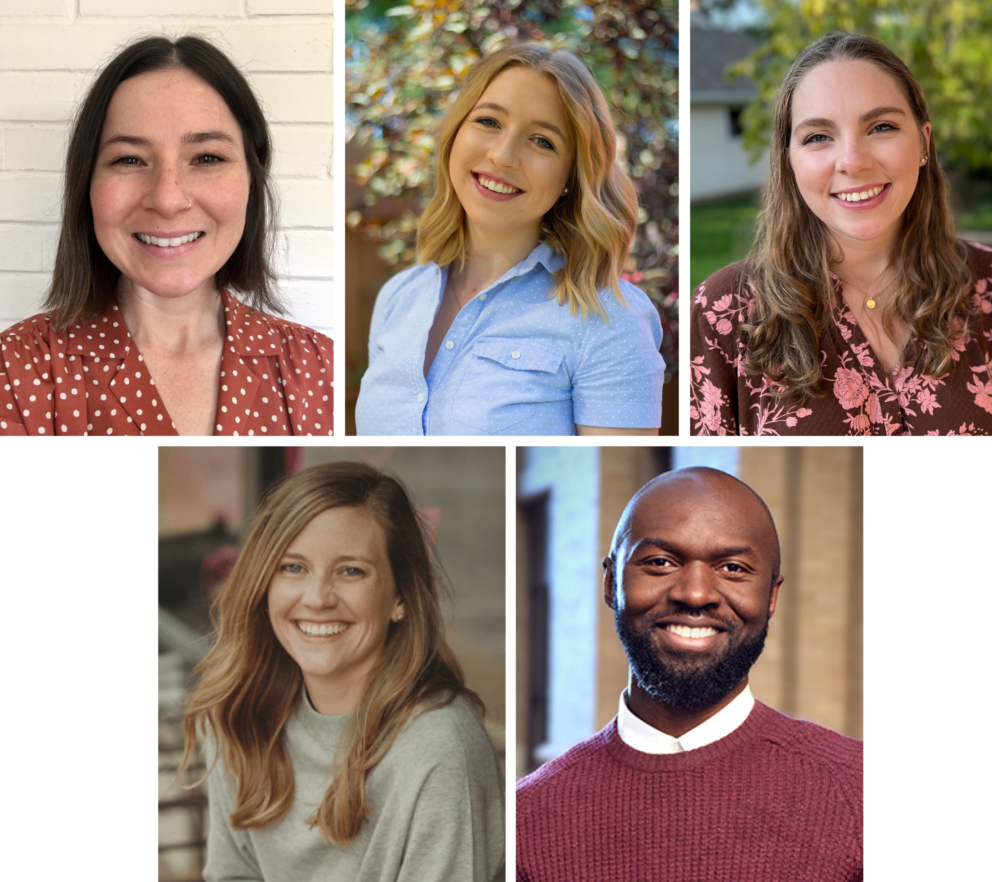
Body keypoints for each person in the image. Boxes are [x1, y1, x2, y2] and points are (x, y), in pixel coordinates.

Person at [515, 467, 864, 882]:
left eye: (733, 568)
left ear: (771, 595)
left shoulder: (853, 788)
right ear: (611, 582)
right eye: (660, 562)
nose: (695, 594)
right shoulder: (526, 818)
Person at [172, 462, 505, 881]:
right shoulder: (234, 713)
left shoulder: (440, 749)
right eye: (293, 567)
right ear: (264, 584)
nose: (317, 598)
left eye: (351, 571)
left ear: (400, 595)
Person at [689, 32, 992, 437]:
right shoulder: (724, 310)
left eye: (881, 127)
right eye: (817, 137)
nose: (852, 161)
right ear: (789, 160)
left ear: (924, 143)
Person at [0, 34, 335, 437]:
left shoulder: (320, 368)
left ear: (252, 179)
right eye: (129, 159)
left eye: (207, 158)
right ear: (86, 183)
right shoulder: (13, 368)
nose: (168, 199)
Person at [355, 42, 664, 437]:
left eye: (543, 141)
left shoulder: (608, 318)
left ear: (571, 178)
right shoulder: (397, 298)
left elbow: (612, 479)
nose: (503, 155)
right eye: (488, 122)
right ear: (455, 134)